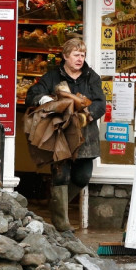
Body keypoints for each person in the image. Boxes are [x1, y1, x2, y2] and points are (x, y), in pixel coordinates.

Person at [25, 38, 106, 231]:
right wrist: (44, 98)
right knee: (61, 177)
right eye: (76, 55)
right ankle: (62, 224)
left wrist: (87, 116)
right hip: (60, 134)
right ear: (65, 56)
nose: (80, 59)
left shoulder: (91, 77)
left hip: (85, 135)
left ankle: (56, 207)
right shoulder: (52, 77)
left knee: (82, 177)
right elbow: (32, 94)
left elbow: (100, 103)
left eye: (83, 55)